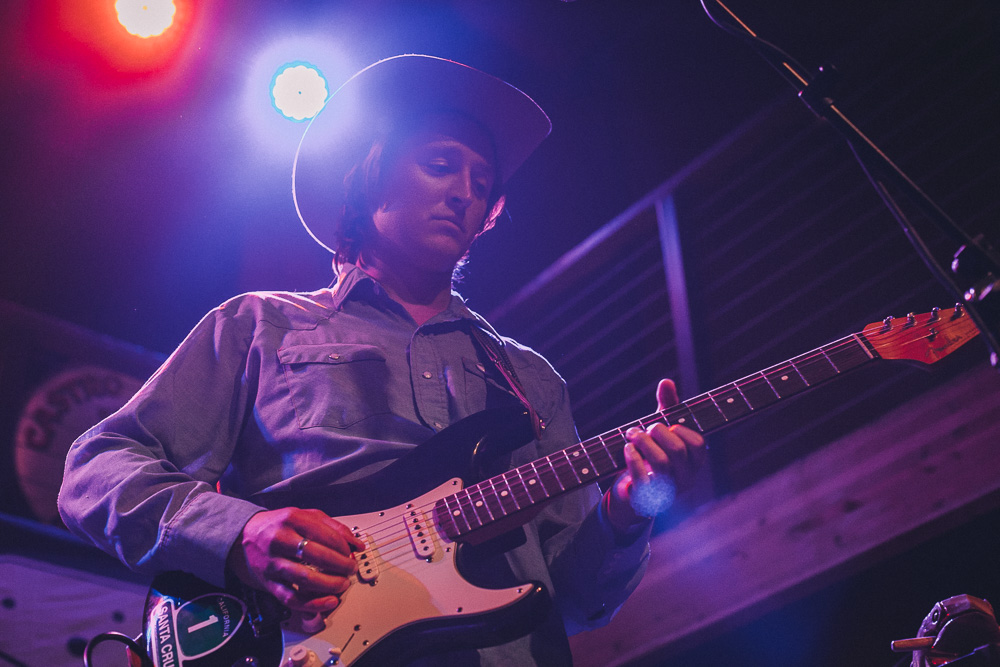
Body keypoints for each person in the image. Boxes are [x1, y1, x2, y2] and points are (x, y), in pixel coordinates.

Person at [58, 55, 706, 666]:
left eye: (482, 184)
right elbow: (96, 471)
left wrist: (631, 508)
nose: (465, 192)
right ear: (367, 176)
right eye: (440, 164)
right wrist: (242, 532)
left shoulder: (530, 380)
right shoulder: (260, 325)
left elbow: (578, 601)